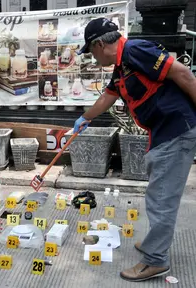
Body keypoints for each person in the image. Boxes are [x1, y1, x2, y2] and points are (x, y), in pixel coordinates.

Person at [73, 18, 196, 282]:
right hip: (163, 133)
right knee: (158, 193)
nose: (93, 59)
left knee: (161, 199)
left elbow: (183, 74)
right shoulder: (121, 67)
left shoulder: (135, 51)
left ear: (99, 44)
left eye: (91, 52)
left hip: (176, 129)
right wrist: (85, 118)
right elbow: (108, 96)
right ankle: (155, 245)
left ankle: (155, 261)